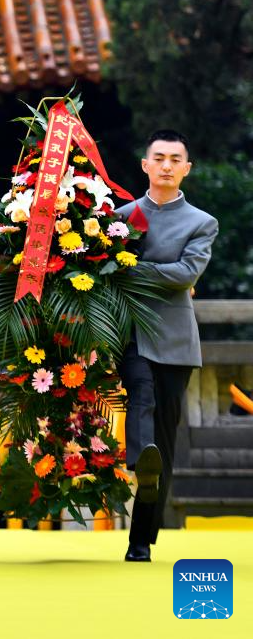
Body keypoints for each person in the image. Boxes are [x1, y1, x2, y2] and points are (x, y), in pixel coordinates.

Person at [116, 130, 218, 563]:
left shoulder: (201, 222)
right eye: (159, 158)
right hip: (131, 333)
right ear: (145, 165)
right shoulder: (119, 217)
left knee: (165, 440)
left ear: (186, 169)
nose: (166, 166)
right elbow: (103, 271)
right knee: (141, 394)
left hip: (176, 341)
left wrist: (129, 267)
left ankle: (141, 538)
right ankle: (139, 459)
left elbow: (185, 275)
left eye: (175, 159)